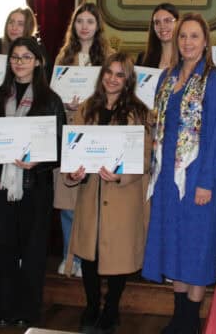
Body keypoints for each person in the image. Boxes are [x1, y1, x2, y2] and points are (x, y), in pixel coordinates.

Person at [142, 13, 216, 334]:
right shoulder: (167, 77)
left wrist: (207, 182)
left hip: (197, 180)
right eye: (183, 36)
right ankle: (178, 316)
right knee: (174, 245)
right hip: (168, 179)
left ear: (206, 41)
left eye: (194, 36)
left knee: (196, 248)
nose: (188, 42)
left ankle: (190, 322)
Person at [0, 37, 66, 328]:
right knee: (4, 250)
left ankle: (28, 311)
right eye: (15, 57)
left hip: (34, 186)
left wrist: (39, 160)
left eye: (26, 57)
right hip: (1, 188)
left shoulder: (50, 99)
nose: (20, 62)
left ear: (38, 61)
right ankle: (3, 309)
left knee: (33, 251)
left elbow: (60, 146)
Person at [66, 53, 151, 334]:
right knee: (90, 256)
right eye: (108, 72)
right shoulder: (87, 108)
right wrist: (73, 172)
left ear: (128, 80)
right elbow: (72, 151)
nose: (112, 79)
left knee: (118, 258)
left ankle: (111, 309)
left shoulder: (139, 112)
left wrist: (121, 176)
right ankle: (92, 306)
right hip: (91, 192)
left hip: (122, 195)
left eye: (119, 75)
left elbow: (145, 156)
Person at [54, 2, 111, 277]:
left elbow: (114, 96)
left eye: (90, 21)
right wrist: (66, 106)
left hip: (97, 138)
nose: (84, 26)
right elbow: (53, 100)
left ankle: (91, 259)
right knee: (68, 204)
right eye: (80, 21)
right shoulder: (63, 59)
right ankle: (70, 257)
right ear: (73, 26)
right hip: (69, 138)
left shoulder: (108, 60)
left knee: (94, 203)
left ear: (98, 25)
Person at [137, 3, 180, 68]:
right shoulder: (142, 59)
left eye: (167, 21)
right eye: (157, 22)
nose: (162, 26)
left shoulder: (187, 57)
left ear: (178, 22)